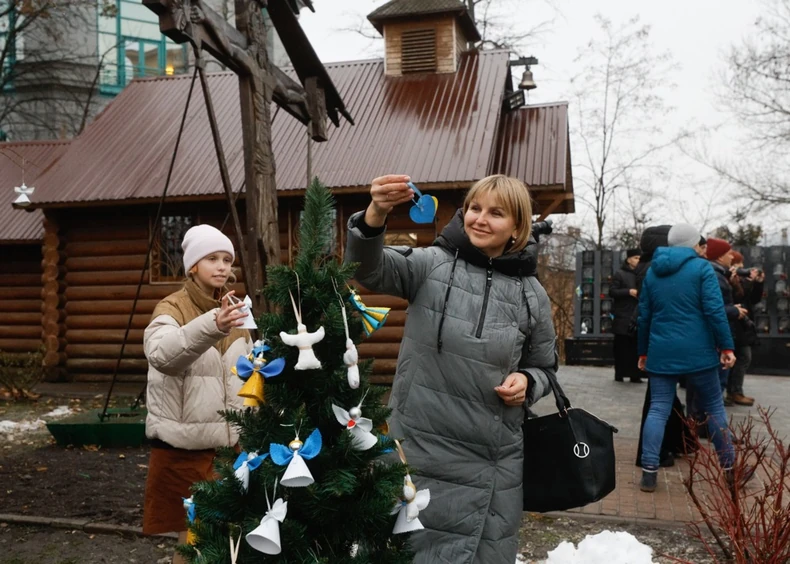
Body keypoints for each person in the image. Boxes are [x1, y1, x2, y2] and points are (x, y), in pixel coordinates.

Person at [345, 174, 557, 564]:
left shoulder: (533, 296)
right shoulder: (432, 264)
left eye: (496, 213)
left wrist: (528, 381)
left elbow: (545, 367)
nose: (480, 219)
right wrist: (376, 213)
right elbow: (367, 269)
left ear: (517, 227)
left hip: (492, 460)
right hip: (419, 447)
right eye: (474, 208)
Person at [142, 224, 251, 562]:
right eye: (212, 259)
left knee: (227, 538)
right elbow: (162, 355)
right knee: (191, 539)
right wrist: (212, 325)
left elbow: (247, 374)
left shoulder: (236, 310)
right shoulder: (171, 307)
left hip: (228, 449)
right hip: (183, 449)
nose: (222, 267)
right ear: (192, 266)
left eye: (227, 260)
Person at [637, 224, 736, 492]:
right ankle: (730, 469)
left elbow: (644, 315)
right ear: (693, 244)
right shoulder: (702, 269)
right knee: (714, 408)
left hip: (661, 351)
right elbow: (715, 311)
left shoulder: (653, 272)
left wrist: (643, 351)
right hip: (699, 352)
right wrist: (726, 346)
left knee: (658, 409)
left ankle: (649, 472)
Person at [633, 226, 690, 469]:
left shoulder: (647, 265)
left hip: (654, 337)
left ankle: (680, 442)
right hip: (659, 337)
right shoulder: (654, 268)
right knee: (657, 401)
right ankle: (652, 453)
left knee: (663, 397)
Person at [725, 251, 763, 406]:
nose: (741, 267)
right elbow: (737, 298)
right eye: (738, 264)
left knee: (743, 357)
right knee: (742, 357)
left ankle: (735, 391)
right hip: (735, 324)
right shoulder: (728, 278)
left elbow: (753, 299)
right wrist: (747, 282)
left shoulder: (739, 279)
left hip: (743, 324)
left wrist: (758, 283)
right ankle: (734, 392)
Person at [610, 248, 643, 383]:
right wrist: (628, 292)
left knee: (635, 346)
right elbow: (612, 292)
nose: (638, 261)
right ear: (628, 259)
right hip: (623, 315)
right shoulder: (620, 274)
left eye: (639, 258)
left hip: (637, 314)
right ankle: (620, 373)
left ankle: (635, 374)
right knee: (622, 346)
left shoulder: (642, 273)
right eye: (635, 258)